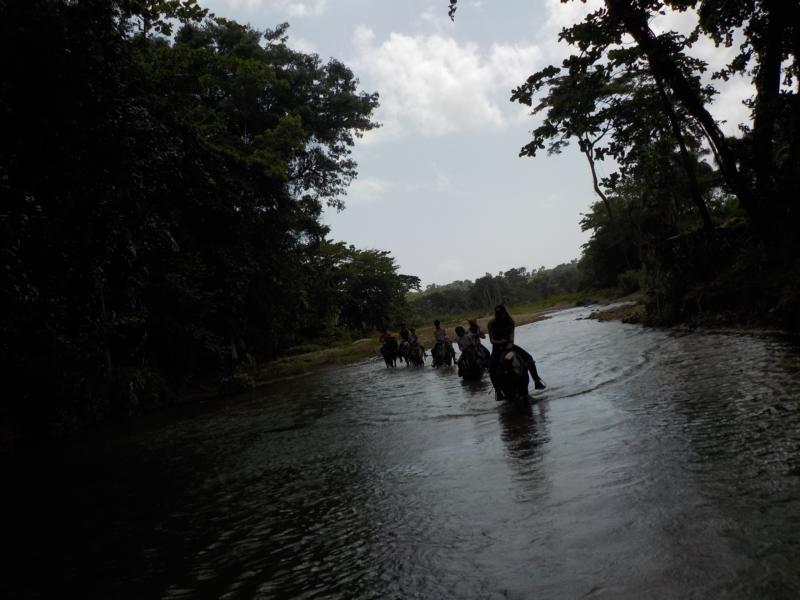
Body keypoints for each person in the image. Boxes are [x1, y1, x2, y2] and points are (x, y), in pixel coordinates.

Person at [487, 304, 545, 395]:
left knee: (529, 359)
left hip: (509, 346)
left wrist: (509, 344)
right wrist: (500, 342)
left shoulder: (510, 321)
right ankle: (498, 391)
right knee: (491, 368)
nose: (499, 315)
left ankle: (536, 381)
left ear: (504, 313)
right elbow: (492, 340)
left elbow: (511, 336)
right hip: (497, 348)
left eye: (500, 313)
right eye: (497, 314)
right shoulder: (491, 323)